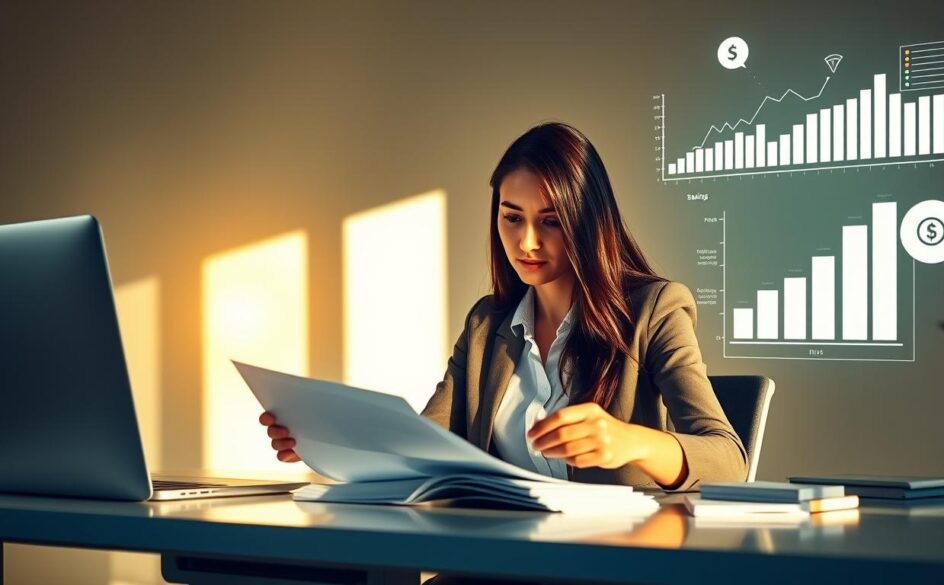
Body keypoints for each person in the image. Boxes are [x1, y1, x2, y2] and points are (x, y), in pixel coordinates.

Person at [260, 122, 747, 493]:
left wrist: (631, 440)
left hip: (608, 565)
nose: (526, 241)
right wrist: (326, 442)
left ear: (589, 222)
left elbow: (730, 460)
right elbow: (423, 444)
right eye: (511, 217)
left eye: (550, 221)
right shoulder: (485, 324)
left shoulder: (654, 309)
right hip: (498, 561)